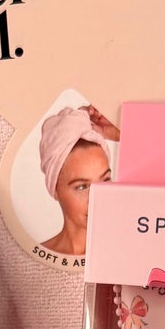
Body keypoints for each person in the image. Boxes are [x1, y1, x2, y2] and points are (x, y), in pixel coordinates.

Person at [37, 104, 119, 257]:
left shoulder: (128, 252)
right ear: (55, 190)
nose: (97, 198)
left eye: (105, 180)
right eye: (82, 187)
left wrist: (122, 134)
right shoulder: (34, 258)